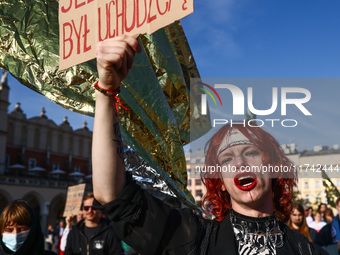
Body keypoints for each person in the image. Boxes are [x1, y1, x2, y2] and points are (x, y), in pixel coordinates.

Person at [91, 35, 328, 255]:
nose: (240, 162)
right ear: (221, 182)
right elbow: (112, 196)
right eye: (227, 159)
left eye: (251, 152)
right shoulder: (195, 238)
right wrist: (106, 91)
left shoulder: (306, 250)